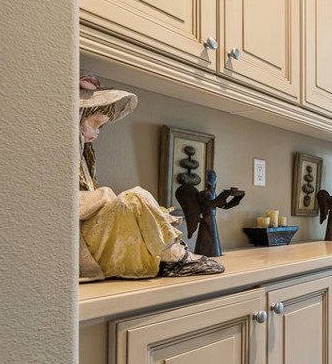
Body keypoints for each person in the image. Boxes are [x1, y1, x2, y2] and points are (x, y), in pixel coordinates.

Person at [77, 74, 223, 281]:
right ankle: (175, 258)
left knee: (135, 202)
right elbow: (62, 206)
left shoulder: (84, 159)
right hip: (80, 249)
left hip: (94, 240)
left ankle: (168, 255)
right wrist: (105, 195)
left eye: (101, 128)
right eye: (95, 125)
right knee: (135, 197)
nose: (96, 134)